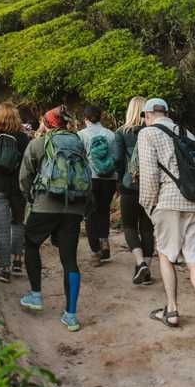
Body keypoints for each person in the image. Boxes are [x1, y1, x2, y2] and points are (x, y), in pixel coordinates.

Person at [136, 97, 195, 347]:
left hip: (169, 201)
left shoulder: (148, 133)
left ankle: (171, 311)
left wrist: (148, 205)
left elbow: (150, 175)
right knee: (194, 257)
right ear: (168, 113)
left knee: (165, 255)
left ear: (147, 114)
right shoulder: (187, 132)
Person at [19, 105, 90, 332]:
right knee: (69, 259)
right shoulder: (77, 143)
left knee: (30, 244)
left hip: (45, 205)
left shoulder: (38, 143)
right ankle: (70, 315)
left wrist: (32, 197)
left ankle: (36, 295)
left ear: (47, 123)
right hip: (74, 207)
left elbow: (24, 177)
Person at [0, 102, 32, 283]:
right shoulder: (24, 138)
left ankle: (5, 268)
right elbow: (28, 166)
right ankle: (18, 261)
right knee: (18, 224)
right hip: (18, 188)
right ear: (16, 117)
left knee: (2, 229)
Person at [115, 96, 155, 285]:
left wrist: (120, 183)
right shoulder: (153, 131)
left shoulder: (122, 132)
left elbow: (118, 160)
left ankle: (140, 264)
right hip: (151, 186)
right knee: (147, 227)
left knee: (130, 226)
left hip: (129, 184)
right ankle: (146, 267)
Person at [78, 105, 120, 266]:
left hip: (91, 179)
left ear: (85, 118)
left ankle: (95, 252)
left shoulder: (81, 135)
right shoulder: (111, 134)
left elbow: (79, 158)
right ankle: (104, 241)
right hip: (109, 179)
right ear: (101, 117)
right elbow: (117, 157)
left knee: (90, 214)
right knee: (103, 211)